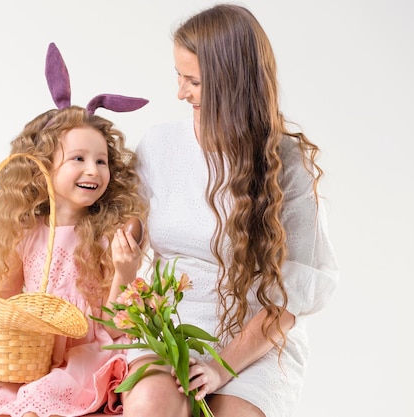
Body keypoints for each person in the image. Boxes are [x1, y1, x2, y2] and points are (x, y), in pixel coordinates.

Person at [121, 4, 339, 417]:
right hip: (171, 324)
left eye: (194, 81)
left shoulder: (286, 164)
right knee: (152, 405)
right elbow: (119, 242)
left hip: (256, 335)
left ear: (233, 84)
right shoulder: (159, 144)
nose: (180, 93)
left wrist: (222, 367)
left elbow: (291, 299)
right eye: (179, 76)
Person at [0, 43, 149, 417]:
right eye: (78, 159)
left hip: (85, 353)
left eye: (101, 160)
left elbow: (115, 327)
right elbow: (3, 300)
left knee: (39, 405)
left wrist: (126, 270)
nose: (93, 171)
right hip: (31, 352)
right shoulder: (26, 232)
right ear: (42, 166)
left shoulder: (107, 233)